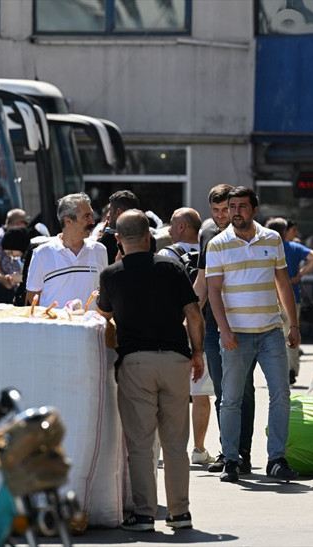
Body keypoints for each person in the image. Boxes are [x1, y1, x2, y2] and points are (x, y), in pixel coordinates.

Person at [96, 209, 204, 532]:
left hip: (135, 364)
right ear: (150, 237)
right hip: (175, 360)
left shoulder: (111, 275)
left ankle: (144, 514)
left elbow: (102, 315)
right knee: (175, 443)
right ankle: (180, 513)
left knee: (140, 444)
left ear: (118, 239)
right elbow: (194, 315)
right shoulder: (172, 267)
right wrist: (197, 353)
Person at [206, 186, 300, 483]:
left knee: (281, 394)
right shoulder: (218, 244)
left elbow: (283, 284)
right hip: (237, 334)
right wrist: (224, 329)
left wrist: (293, 325)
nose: (235, 211)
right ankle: (231, 459)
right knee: (231, 399)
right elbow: (213, 291)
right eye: (232, 206)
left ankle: (276, 458)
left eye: (242, 206)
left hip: (271, 330)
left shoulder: (272, 239)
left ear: (254, 209)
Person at [193, 184, 256, 475]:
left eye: (225, 210)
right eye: (216, 211)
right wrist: (189, 316)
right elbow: (203, 284)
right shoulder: (208, 236)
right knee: (222, 392)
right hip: (212, 327)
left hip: (246, 324)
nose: (222, 217)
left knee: (244, 390)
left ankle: (243, 451)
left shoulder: (250, 237)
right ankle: (228, 451)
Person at [157, 207, 215, 465]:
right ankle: (199, 449)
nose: (169, 228)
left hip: (172, 330)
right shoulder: (209, 253)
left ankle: (168, 447)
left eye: (172, 223)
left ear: (181, 227)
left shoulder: (166, 255)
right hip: (202, 328)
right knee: (201, 392)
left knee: (169, 393)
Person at [265, 217, 313, 384]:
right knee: (291, 333)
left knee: (272, 336)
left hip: (269, 297)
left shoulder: (264, 247)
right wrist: (299, 275)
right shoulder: (294, 247)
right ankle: (291, 369)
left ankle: (277, 370)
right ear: (285, 232)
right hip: (291, 296)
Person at [25, 193, 108, 307]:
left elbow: (103, 292)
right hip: (56, 325)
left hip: (90, 324)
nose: (92, 221)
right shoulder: (42, 253)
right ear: (68, 221)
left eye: (92, 216)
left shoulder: (100, 250)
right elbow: (33, 296)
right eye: (86, 216)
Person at [96, 190, 155, 263]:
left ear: (118, 212)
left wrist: (98, 245)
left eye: (110, 210)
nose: (108, 215)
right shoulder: (149, 239)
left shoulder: (106, 240)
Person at [0, 208, 28, 303]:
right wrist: (6, 283)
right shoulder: (1, 237)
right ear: (19, 223)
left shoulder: (6, 234)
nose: (26, 226)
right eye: (25, 222)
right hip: (1, 285)